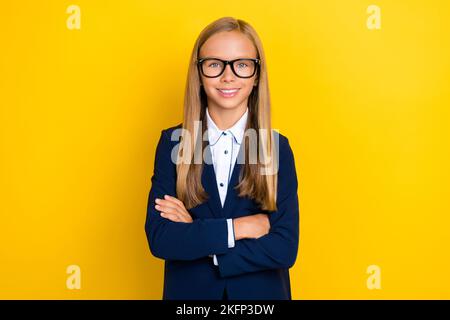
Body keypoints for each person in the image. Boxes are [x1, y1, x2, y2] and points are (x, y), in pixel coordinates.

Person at [145, 16, 299, 300]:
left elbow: (284, 247)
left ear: (256, 76)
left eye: (241, 65)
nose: (228, 76)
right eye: (215, 64)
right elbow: (162, 239)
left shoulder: (275, 148)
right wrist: (239, 228)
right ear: (199, 74)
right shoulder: (173, 143)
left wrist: (195, 233)